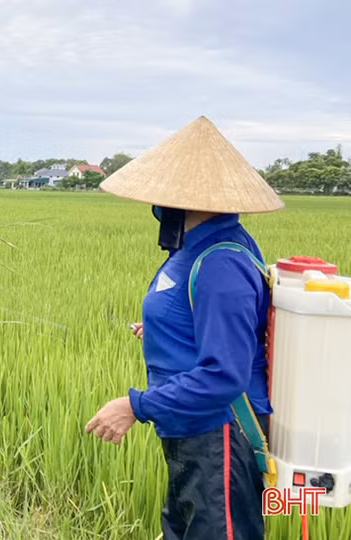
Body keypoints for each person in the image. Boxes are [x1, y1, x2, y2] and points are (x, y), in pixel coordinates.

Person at [85, 116, 284, 540]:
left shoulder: (220, 262)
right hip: (192, 433)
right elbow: (200, 317)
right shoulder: (196, 247)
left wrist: (134, 407)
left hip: (219, 438)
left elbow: (223, 374)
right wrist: (164, 331)